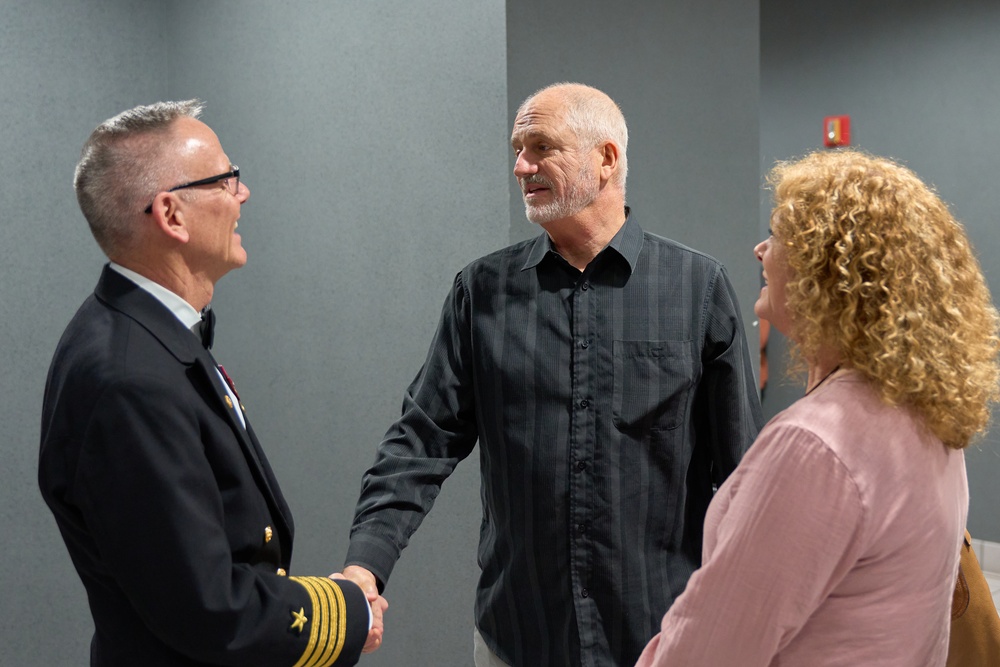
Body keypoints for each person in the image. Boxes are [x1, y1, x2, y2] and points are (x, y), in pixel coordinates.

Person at [340, 82, 764, 666]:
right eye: (517, 148)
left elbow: (743, 475)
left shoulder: (697, 288)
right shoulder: (481, 291)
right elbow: (420, 440)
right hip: (518, 637)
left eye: (541, 147)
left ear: (606, 158)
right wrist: (365, 564)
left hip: (661, 640)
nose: (521, 166)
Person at [39, 100, 385, 667]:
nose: (242, 194)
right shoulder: (129, 379)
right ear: (171, 215)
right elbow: (208, 607)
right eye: (226, 179)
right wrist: (347, 611)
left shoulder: (144, 337)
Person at [635, 149, 1000, 666]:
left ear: (828, 269)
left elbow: (705, 652)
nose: (761, 249)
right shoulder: (922, 411)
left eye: (779, 235)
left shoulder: (814, 445)